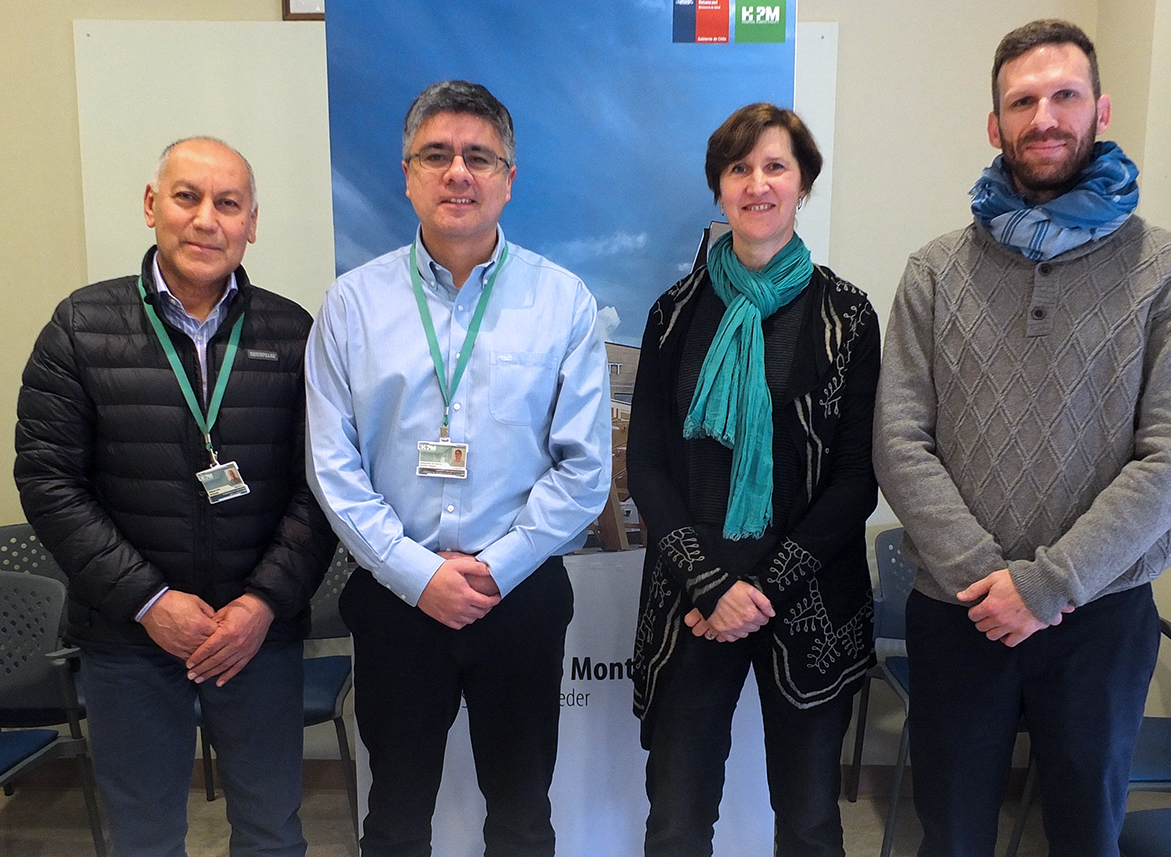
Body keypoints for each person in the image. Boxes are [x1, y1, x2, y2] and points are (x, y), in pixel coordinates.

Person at [874, 19, 1171, 857]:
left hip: (1102, 615)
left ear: (1100, 111)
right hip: (961, 611)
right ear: (996, 125)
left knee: (1087, 836)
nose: (1045, 117)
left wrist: (1047, 585)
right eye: (1023, 101)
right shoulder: (935, 272)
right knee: (950, 836)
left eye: (1065, 95)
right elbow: (899, 440)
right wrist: (990, 580)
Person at [305, 80, 611, 857]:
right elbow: (333, 466)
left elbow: (583, 469)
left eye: (480, 156)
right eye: (436, 154)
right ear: (407, 174)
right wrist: (418, 574)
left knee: (522, 813)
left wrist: (495, 567)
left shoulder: (563, 302)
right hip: (396, 598)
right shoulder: (351, 305)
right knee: (395, 818)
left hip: (520, 596)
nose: (458, 172)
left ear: (509, 178)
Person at [14, 136, 337, 857]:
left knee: (272, 832)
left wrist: (261, 604)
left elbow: (321, 485)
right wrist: (150, 601)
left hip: (256, 639)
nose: (206, 219)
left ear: (252, 222)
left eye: (228, 203)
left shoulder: (294, 333)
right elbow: (47, 479)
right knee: (144, 839)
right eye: (187, 197)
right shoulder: (80, 327)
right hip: (129, 638)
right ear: (151, 205)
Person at [627, 103, 879, 857]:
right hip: (692, 597)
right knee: (677, 822)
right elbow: (646, 464)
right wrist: (712, 586)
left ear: (803, 184)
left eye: (775, 166)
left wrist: (761, 589)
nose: (757, 184)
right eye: (739, 168)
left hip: (809, 596)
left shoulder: (848, 315)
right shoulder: (673, 314)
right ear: (719, 188)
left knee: (809, 824)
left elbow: (856, 479)